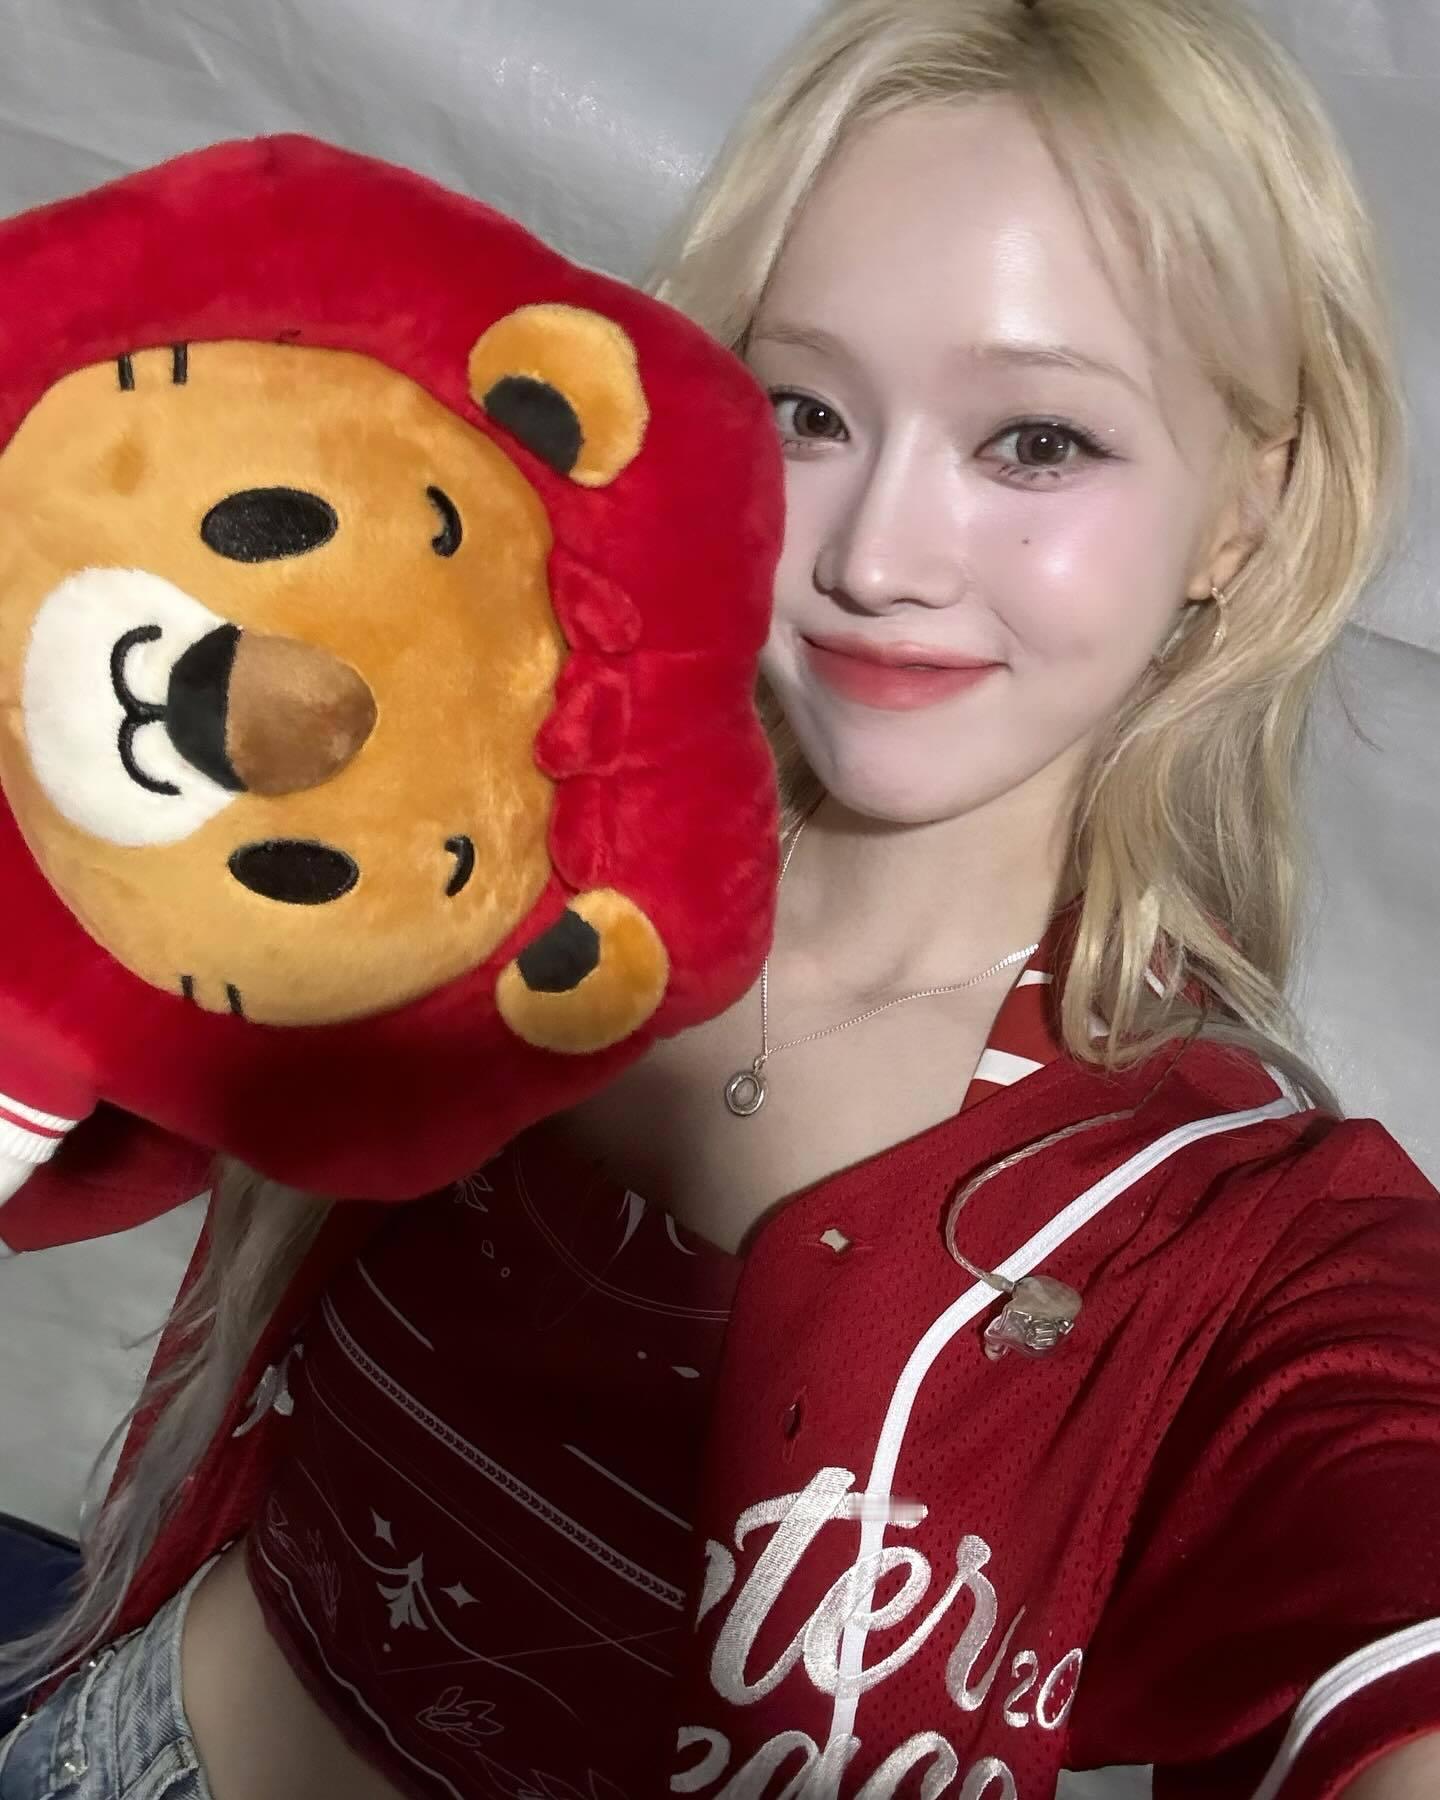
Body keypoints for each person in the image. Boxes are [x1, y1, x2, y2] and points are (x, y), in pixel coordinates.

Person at [3, 0, 1439, 1795]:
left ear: (1246, 509)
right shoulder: (467, 837)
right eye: (808, 409)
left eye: (1037, 443)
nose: (875, 561)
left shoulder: (1223, 1228)